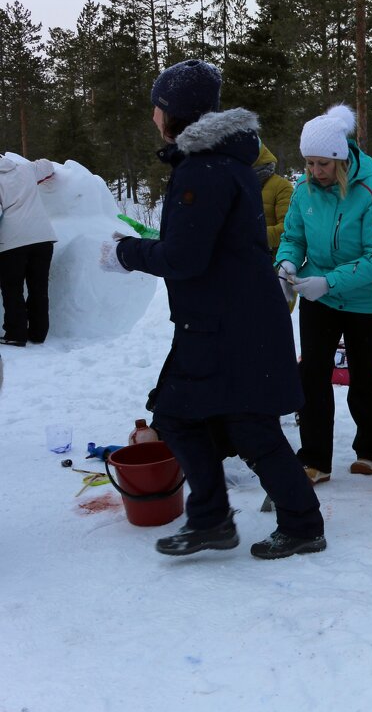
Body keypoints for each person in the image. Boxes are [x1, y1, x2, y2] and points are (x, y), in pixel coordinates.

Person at [100, 58, 325, 559]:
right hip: (227, 319)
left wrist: (124, 253)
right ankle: (217, 519)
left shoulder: (202, 169)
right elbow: (202, 245)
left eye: (156, 107)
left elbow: (184, 257)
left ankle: (291, 525)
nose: (152, 115)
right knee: (191, 416)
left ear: (172, 112)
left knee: (231, 424)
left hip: (229, 325)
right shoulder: (221, 162)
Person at [275, 104, 372, 484]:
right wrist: (288, 264)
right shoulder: (303, 192)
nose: (315, 172)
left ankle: (371, 451)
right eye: (309, 163)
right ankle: (314, 459)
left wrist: (329, 281)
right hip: (319, 298)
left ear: (340, 159)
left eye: (322, 164)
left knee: (363, 376)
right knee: (311, 375)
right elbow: (293, 237)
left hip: (367, 301)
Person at [0, 155, 57, 346]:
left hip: (12, 243)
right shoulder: (25, 169)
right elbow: (47, 166)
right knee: (39, 287)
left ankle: (16, 334)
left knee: (12, 289)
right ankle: (38, 334)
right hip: (42, 238)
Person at [254, 141, 293, 260]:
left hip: (270, 265)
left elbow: (289, 228)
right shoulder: (236, 184)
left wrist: (253, 235)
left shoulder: (281, 186)